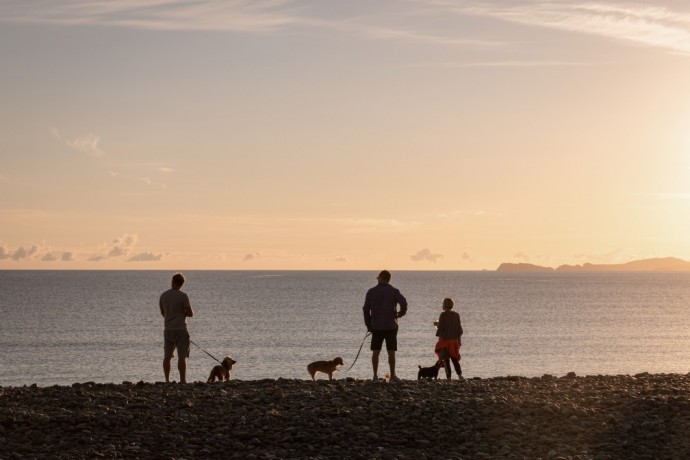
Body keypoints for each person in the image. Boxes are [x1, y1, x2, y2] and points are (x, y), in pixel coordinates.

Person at [362, 270, 407, 381]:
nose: (377, 279)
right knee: (391, 352)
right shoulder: (394, 291)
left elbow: (366, 309)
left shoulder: (371, 292)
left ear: (381, 278)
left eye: (378, 277)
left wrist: (368, 324)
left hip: (376, 325)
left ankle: (375, 376)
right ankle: (392, 375)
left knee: (376, 352)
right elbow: (404, 302)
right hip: (391, 325)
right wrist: (400, 314)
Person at [160, 273, 194, 383]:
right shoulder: (183, 296)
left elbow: (163, 313)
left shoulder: (163, 296)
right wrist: (182, 313)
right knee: (182, 356)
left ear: (172, 281)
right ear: (182, 284)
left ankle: (167, 380)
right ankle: (183, 380)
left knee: (167, 356)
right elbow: (190, 313)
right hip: (180, 329)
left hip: (168, 329)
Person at [434, 297, 463, 380]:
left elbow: (441, 328)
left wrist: (436, 325)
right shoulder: (456, 315)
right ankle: (460, 376)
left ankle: (449, 378)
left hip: (445, 341)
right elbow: (459, 330)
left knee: (446, 360)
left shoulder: (443, 315)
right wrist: (459, 342)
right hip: (454, 341)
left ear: (444, 305)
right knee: (455, 359)